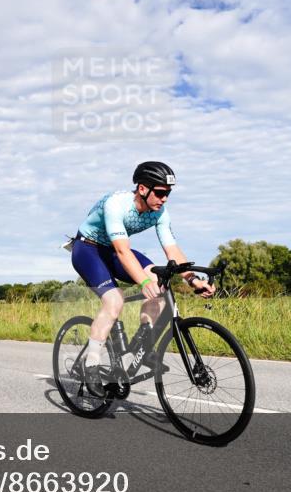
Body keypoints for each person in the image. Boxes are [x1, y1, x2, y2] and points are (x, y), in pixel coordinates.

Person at [70, 162, 214, 396]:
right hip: (89, 250)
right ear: (142, 189)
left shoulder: (159, 212)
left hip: (114, 250)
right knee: (114, 301)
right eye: (160, 193)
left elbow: (172, 251)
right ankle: (92, 364)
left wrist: (193, 280)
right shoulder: (117, 204)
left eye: (168, 194)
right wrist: (143, 283)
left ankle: (140, 348)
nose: (164, 199)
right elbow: (123, 251)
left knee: (159, 286)